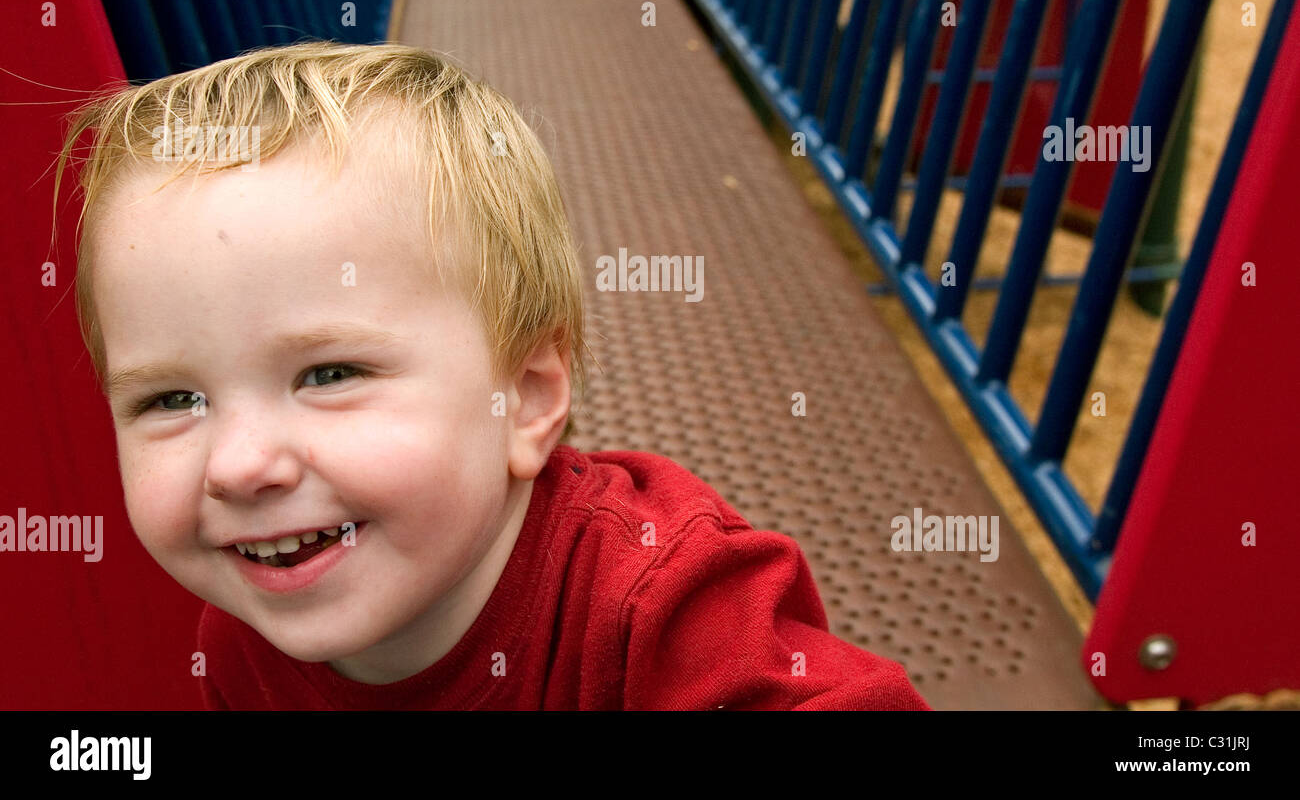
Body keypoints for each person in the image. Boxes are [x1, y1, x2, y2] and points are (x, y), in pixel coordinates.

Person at [53, 41, 929, 710]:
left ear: (529, 400)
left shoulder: (659, 606)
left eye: (329, 374)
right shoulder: (247, 636)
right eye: (173, 399)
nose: (240, 466)